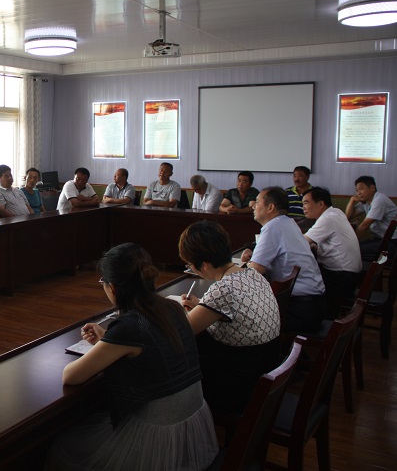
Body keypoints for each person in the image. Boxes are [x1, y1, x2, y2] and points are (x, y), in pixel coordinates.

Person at [47, 243, 218, 471]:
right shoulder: (172, 308)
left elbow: (71, 376)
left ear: (113, 288)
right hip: (192, 423)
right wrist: (107, 339)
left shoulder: (129, 326)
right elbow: (153, 343)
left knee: (62, 448)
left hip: (159, 436)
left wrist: (110, 341)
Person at [179, 221, 281, 414]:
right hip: (265, 370)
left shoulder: (223, 289)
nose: (191, 269)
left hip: (239, 385)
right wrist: (201, 305)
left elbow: (180, 331)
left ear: (204, 265)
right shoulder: (253, 274)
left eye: (190, 265)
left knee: (177, 354)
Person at [241, 187, 326, 332]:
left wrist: (246, 265)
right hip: (314, 304)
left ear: (270, 207)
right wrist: (254, 257)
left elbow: (255, 272)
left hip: (299, 309)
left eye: (257, 202)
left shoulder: (273, 227)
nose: (253, 206)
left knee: (242, 321)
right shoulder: (287, 222)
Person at [302, 187, 362, 317]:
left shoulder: (328, 218)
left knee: (305, 285)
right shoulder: (336, 213)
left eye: (306, 202)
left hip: (342, 278)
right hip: (349, 275)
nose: (303, 207)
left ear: (320, 204)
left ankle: (323, 319)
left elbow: (301, 243)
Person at [345, 175, 397, 261]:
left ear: (372, 188)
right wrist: (352, 200)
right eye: (357, 190)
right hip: (380, 240)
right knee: (353, 248)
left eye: (361, 189)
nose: (358, 193)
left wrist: (350, 243)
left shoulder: (379, 200)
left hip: (393, 242)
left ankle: (374, 267)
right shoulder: (366, 202)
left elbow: (364, 225)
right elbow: (348, 216)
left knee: (353, 250)